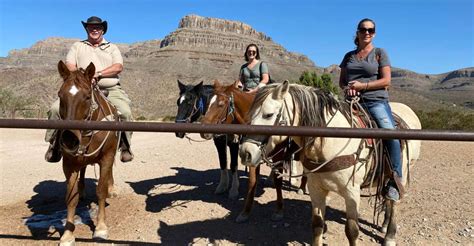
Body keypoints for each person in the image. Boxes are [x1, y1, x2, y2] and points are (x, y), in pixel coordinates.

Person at [44, 16, 134, 163]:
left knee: (125, 111)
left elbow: (118, 67)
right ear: (86, 29)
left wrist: (98, 74)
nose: (94, 29)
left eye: (97, 27)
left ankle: (125, 146)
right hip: (81, 88)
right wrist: (82, 78)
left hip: (109, 88)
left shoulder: (112, 47)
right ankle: (54, 144)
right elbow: (70, 64)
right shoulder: (77, 46)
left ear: (103, 30)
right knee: (55, 109)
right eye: (91, 27)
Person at [339, 18, 402, 201]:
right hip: (351, 101)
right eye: (363, 29)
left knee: (390, 133)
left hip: (375, 101)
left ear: (374, 33)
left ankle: (395, 179)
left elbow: (386, 81)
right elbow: (342, 81)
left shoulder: (380, 53)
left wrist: (362, 86)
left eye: (370, 30)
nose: (367, 32)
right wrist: (347, 88)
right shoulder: (348, 56)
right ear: (357, 32)